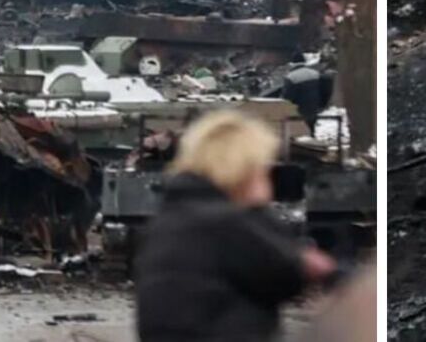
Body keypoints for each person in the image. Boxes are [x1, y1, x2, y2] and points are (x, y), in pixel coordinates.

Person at [135, 110, 338, 341]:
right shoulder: (224, 222)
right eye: (261, 168)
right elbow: (286, 274)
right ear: (242, 168)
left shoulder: (173, 217)